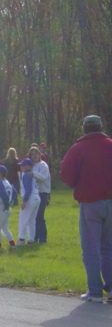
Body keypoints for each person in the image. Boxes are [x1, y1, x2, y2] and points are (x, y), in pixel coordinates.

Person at [60, 115, 112, 303]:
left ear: (84, 128)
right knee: (109, 247)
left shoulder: (78, 148)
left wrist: (77, 182)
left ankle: (95, 291)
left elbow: (66, 175)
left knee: (91, 247)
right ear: (100, 127)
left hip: (90, 201)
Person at [28, 146, 51, 243]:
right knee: (34, 216)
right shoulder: (31, 165)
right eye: (32, 154)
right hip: (34, 193)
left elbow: (44, 178)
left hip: (42, 192)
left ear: (39, 154)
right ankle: (35, 236)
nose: (34, 156)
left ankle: (43, 237)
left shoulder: (43, 165)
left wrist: (34, 174)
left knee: (40, 215)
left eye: (35, 154)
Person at [0, 165, 16, 249]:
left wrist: (6, 205)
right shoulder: (7, 182)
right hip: (8, 208)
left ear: (0, 174)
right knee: (4, 228)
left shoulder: (0, 183)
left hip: (2, 207)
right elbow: (14, 192)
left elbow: (4, 196)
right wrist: (10, 203)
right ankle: (12, 244)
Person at [16, 158, 40, 245]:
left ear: (28, 166)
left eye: (23, 165)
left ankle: (21, 239)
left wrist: (24, 201)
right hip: (36, 197)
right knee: (32, 220)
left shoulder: (26, 175)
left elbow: (28, 189)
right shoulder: (32, 174)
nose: (21, 167)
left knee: (23, 219)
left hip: (30, 197)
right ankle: (31, 239)